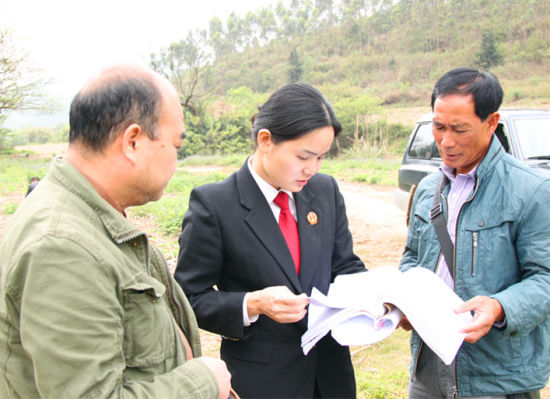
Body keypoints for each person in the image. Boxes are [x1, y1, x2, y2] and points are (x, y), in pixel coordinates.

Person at [0, 64, 232, 399]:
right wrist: (202, 382)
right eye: (176, 146)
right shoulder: (63, 247)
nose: (175, 160)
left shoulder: (91, 214)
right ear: (133, 141)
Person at [175, 83, 366, 398]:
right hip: (263, 381)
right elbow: (189, 298)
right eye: (304, 156)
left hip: (330, 374)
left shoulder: (324, 190)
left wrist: (375, 297)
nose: (312, 169)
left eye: (321, 157)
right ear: (265, 140)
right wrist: (253, 304)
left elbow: (344, 264)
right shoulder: (216, 205)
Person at [400, 67, 550, 398]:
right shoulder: (427, 189)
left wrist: (498, 306)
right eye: (438, 127)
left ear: (491, 122)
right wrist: (404, 299)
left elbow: (545, 278)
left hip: (497, 373)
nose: (446, 141)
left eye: (460, 129)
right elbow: (412, 256)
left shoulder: (533, 190)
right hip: (429, 366)